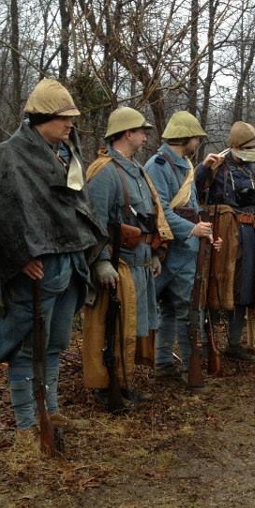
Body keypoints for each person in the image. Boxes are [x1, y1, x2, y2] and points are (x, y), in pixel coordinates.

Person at [0, 78, 103, 447]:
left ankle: (49, 408)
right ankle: (24, 423)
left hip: (70, 259)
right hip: (35, 268)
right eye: (63, 118)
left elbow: (76, 205)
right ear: (41, 118)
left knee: (55, 342)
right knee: (26, 344)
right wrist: (20, 259)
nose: (70, 125)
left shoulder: (69, 152)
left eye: (72, 119)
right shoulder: (10, 154)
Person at [85, 107, 173, 407]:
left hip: (140, 263)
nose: (146, 136)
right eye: (141, 131)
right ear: (127, 134)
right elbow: (94, 221)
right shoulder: (105, 171)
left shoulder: (137, 171)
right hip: (118, 265)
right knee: (111, 329)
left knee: (131, 329)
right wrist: (100, 262)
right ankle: (105, 388)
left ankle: (122, 382)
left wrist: (157, 253)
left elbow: (149, 218)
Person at [195, 121, 255, 362]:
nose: (253, 150)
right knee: (215, 287)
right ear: (236, 146)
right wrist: (204, 169)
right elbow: (197, 192)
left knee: (243, 290)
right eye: (248, 146)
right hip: (222, 236)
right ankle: (209, 344)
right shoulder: (217, 167)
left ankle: (234, 344)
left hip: (251, 236)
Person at [143, 111, 214, 381]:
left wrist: (204, 231)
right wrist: (192, 229)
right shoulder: (157, 166)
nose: (198, 142)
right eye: (196, 137)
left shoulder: (184, 164)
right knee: (170, 309)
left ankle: (184, 367)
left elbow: (192, 207)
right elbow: (160, 210)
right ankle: (164, 364)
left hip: (185, 251)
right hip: (166, 250)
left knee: (182, 309)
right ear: (186, 137)